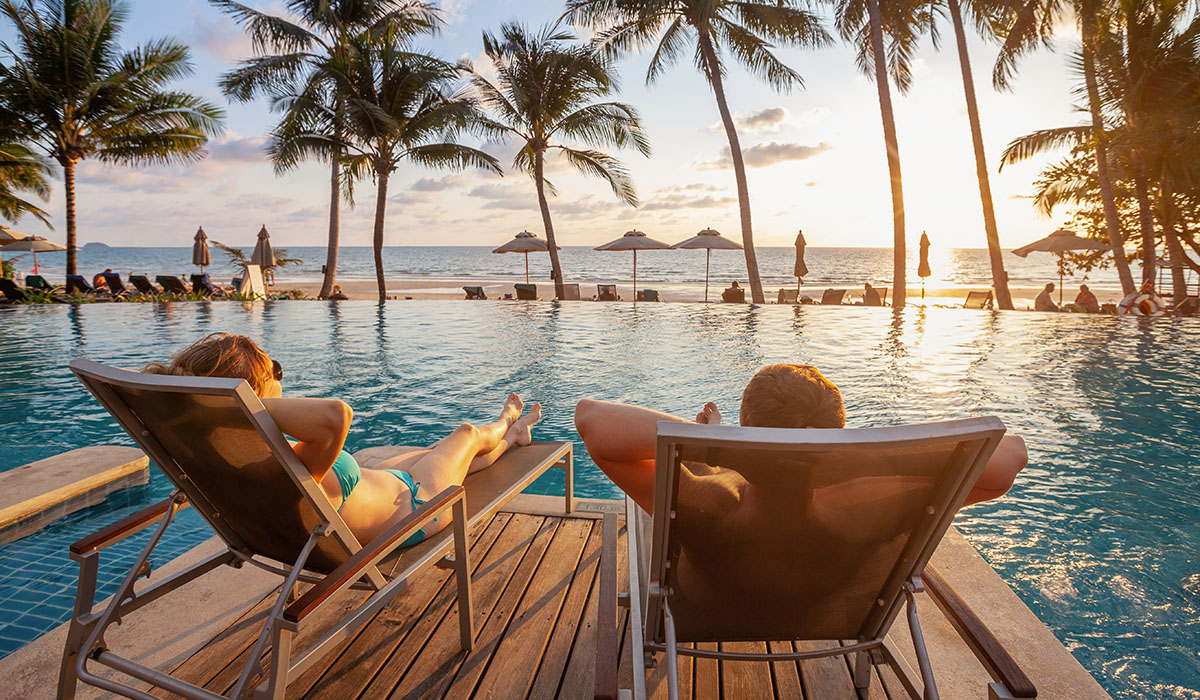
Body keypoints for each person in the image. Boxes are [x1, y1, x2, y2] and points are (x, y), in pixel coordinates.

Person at [143, 333, 542, 545]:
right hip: (418, 506)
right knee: (466, 436)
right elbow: (337, 414)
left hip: (387, 488)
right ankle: (507, 418)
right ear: (254, 395)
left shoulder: (222, 457)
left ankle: (513, 435)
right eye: (274, 372)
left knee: (455, 456)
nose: (281, 378)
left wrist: (214, 408)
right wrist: (241, 405)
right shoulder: (278, 462)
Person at [575, 364, 1028, 516]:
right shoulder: (870, 504)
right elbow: (1010, 455)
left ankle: (718, 452)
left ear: (745, 429)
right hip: (835, 614)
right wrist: (851, 458)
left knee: (711, 474)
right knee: (720, 474)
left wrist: (725, 444)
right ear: (841, 430)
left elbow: (593, 419)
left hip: (710, 604)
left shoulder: (708, 507)